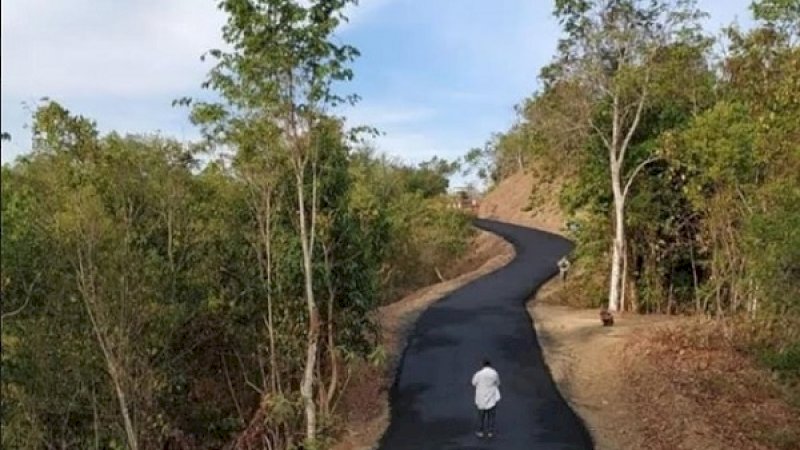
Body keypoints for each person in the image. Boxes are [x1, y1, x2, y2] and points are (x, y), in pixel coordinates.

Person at [471, 359, 501, 438]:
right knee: (491, 415)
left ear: (483, 365)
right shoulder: (494, 373)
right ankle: (490, 431)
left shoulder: (478, 374)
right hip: (491, 396)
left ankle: (480, 431)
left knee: (481, 415)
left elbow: (473, 383)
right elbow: (498, 383)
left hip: (480, 396)